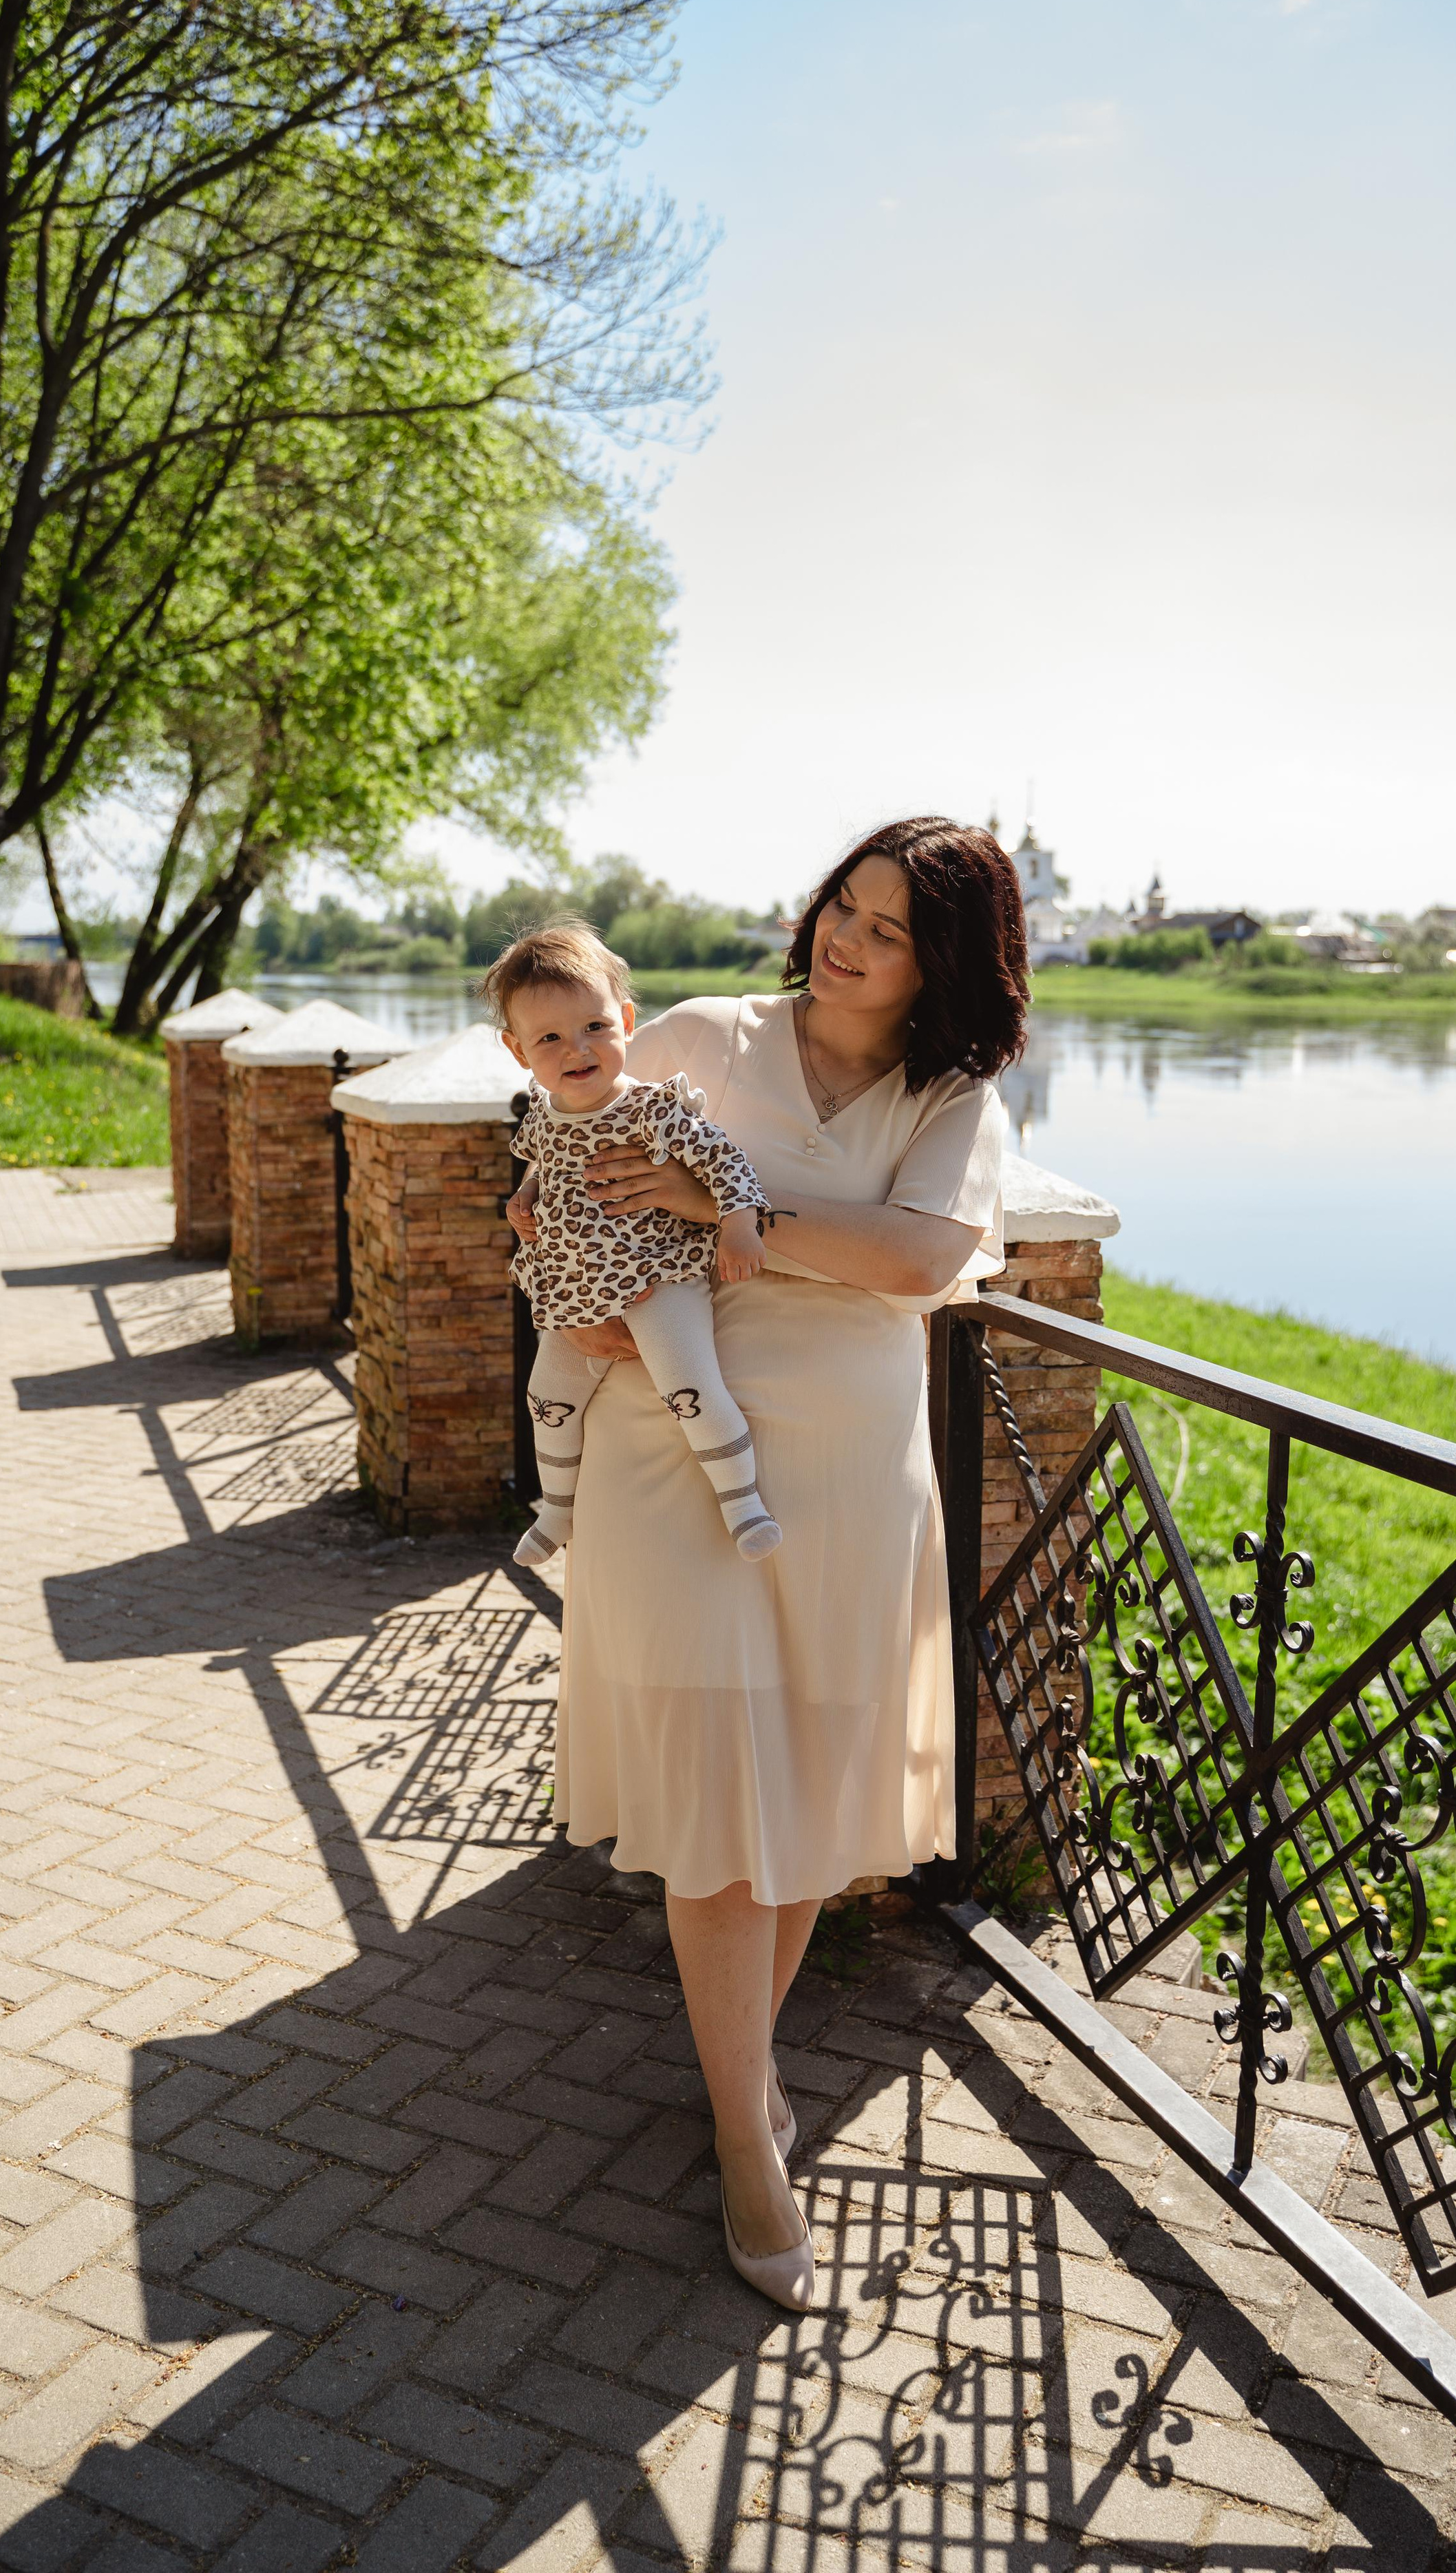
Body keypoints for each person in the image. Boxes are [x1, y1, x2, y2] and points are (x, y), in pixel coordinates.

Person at [525, 816, 1028, 2309]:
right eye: (841, 905)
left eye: (887, 928)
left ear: (941, 963)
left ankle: (736, 2078)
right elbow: (551, 1166)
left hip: (848, 1472)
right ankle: (749, 2134)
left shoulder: (950, 1100)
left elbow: (916, 1263)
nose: (845, 938)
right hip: (668, 1450)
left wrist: (721, 1205)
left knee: (804, 1791)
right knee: (709, 1788)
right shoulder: (695, 1035)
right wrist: (552, 1254)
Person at [488, 923, 782, 1569]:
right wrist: (525, 1199)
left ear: (624, 1018)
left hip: (659, 1273)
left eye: (594, 1027)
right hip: (574, 1280)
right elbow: (544, 1163)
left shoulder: (652, 1109)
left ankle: (743, 1503)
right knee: (548, 1398)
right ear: (519, 1052)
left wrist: (738, 1225)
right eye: (550, 1039)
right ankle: (558, 1509)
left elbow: (725, 1160)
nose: (577, 1050)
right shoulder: (544, 1113)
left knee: (689, 1387)